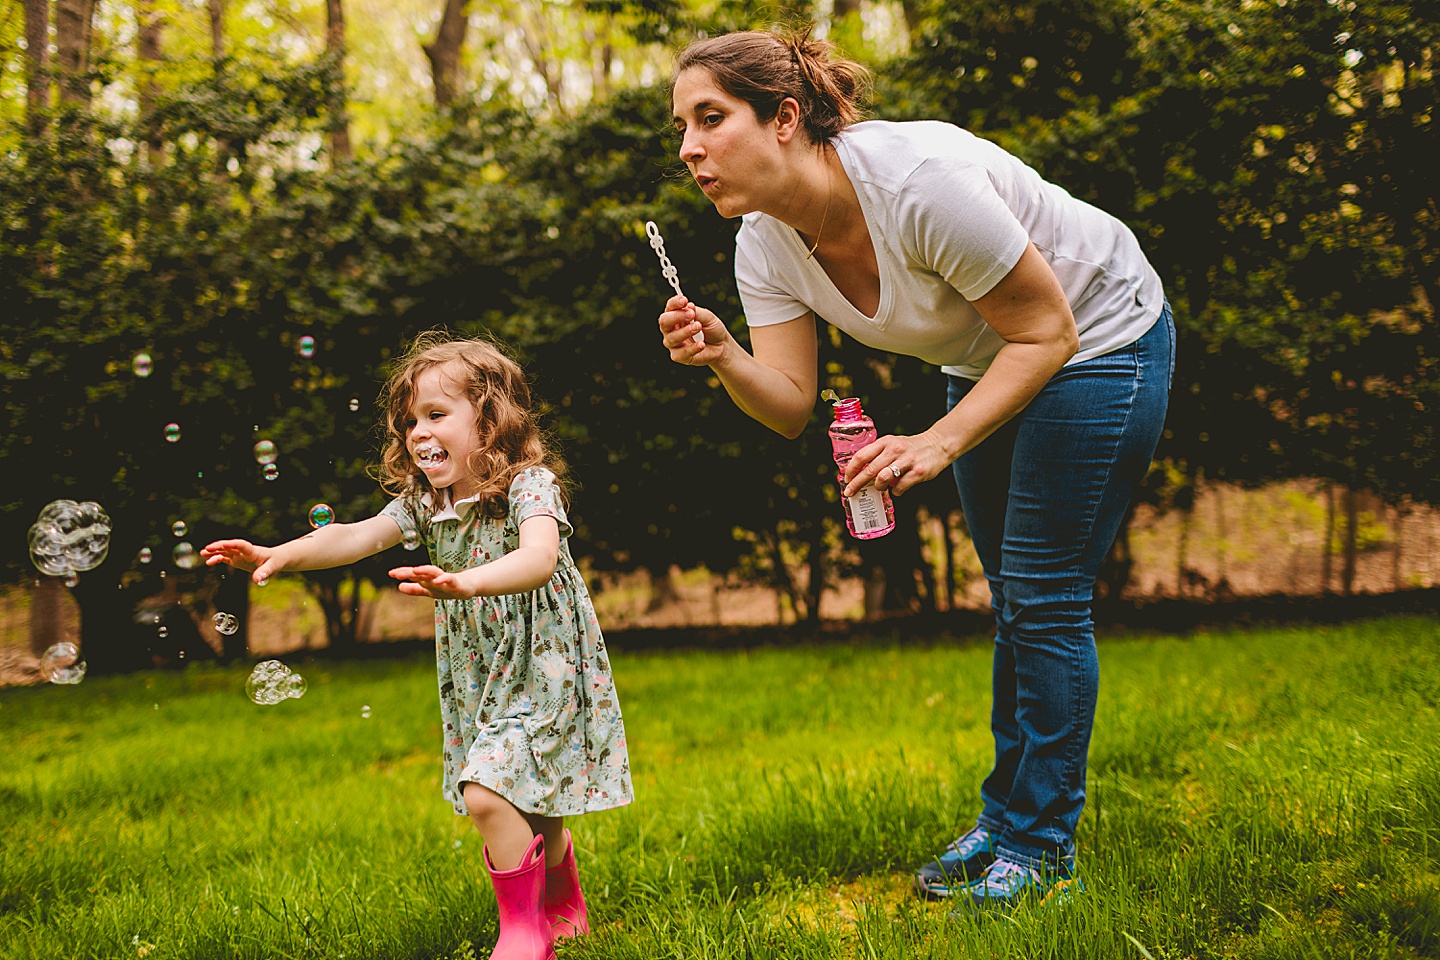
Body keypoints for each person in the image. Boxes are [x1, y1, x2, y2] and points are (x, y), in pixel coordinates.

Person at [657, 28, 1173, 908]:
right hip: (990, 361)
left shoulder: (916, 183)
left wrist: (939, 442)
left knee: (1044, 595)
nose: (690, 148)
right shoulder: (764, 242)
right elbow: (788, 403)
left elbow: (1049, 333)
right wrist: (724, 357)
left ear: (785, 118)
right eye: (680, 128)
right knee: (1013, 596)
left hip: (1100, 338)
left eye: (711, 118)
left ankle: (1041, 843)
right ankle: (1007, 817)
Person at [201, 333, 632, 959]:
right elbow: (352, 536)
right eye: (409, 422)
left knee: (487, 789)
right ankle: (561, 898)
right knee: (525, 791)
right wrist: (279, 555)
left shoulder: (529, 486)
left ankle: (524, 930)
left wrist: (467, 582)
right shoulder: (427, 502)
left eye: (436, 414)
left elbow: (540, 559)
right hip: (484, 669)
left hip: (545, 663)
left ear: (490, 421)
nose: (418, 432)